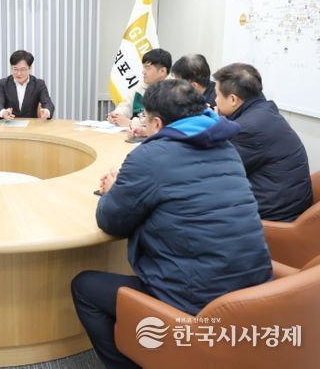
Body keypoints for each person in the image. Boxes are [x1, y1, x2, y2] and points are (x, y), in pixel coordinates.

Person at [72, 80, 272, 369]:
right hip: (254, 294)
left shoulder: (149, 157)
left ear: (157, 123)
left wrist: (112, 192)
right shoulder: (226, 146)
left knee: (84, 287)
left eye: (145, 119)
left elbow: (110, 221)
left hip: (196, 301)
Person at [213, 63, 312, 221]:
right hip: (288, 203)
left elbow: (217, 171)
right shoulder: (264, 111)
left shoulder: (247, 128)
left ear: (233, 99)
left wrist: (213, 128)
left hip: (275, 215)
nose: (215, 100)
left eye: (217, 95)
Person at [108, 48, 171, 129]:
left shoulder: (173, 91)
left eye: (148, 68)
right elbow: (126, 105)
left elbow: (160, 121)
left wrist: (131, 123)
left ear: (162, 71)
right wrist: (116, 115)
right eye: (143, 67)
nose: (143, 72)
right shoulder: (142, 85)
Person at [0, 50, 55, 119]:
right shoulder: (3, 83)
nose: (19, 73)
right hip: (9, 122)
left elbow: (48, 103)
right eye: (15, 69)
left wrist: (46, 112)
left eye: (22, 69)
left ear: (30, 68)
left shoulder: (39, 84)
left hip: (31, 124)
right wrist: (3, 113)